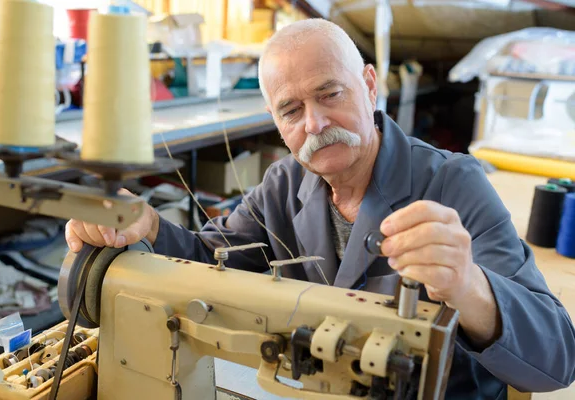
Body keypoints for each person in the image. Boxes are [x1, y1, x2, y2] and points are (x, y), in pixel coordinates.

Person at [65, 19, 575, 399]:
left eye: (330, 94)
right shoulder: (285, 183)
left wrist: (470, 287)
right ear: (275, 120)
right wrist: (148, 225)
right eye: (291, 110)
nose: (313, 123)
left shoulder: (452, 183)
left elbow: (557, 358)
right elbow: (205, 262)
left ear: (371, 85)